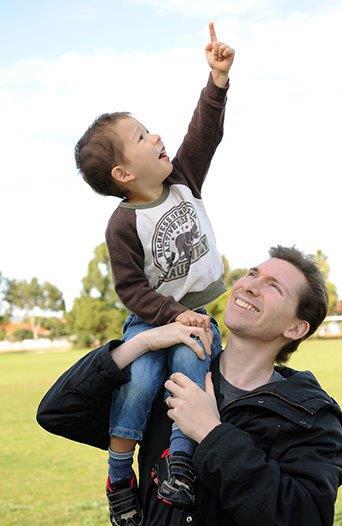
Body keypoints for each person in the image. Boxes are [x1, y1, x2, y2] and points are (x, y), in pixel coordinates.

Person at [37, 245, 342, 525]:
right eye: (254, 273)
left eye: (273, 286)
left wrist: (212, 432)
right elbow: (59, 413)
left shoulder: (310, 415)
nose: (251, 285)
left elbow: (304, 515)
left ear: (296, 327)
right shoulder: (166, 377)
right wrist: (140, 343)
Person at [73, 21, 234, 522]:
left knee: (190, 373)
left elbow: (202, 134)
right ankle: (119, 475)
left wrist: (217, 81)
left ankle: (179, 463)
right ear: (123, 173)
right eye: (142, 136)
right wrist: (169, 318)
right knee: (140, 382)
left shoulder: (183, 178)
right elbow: (130, 288)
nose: (157, 135)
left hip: (195, 315)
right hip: (150, 321)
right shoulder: (123, 224)